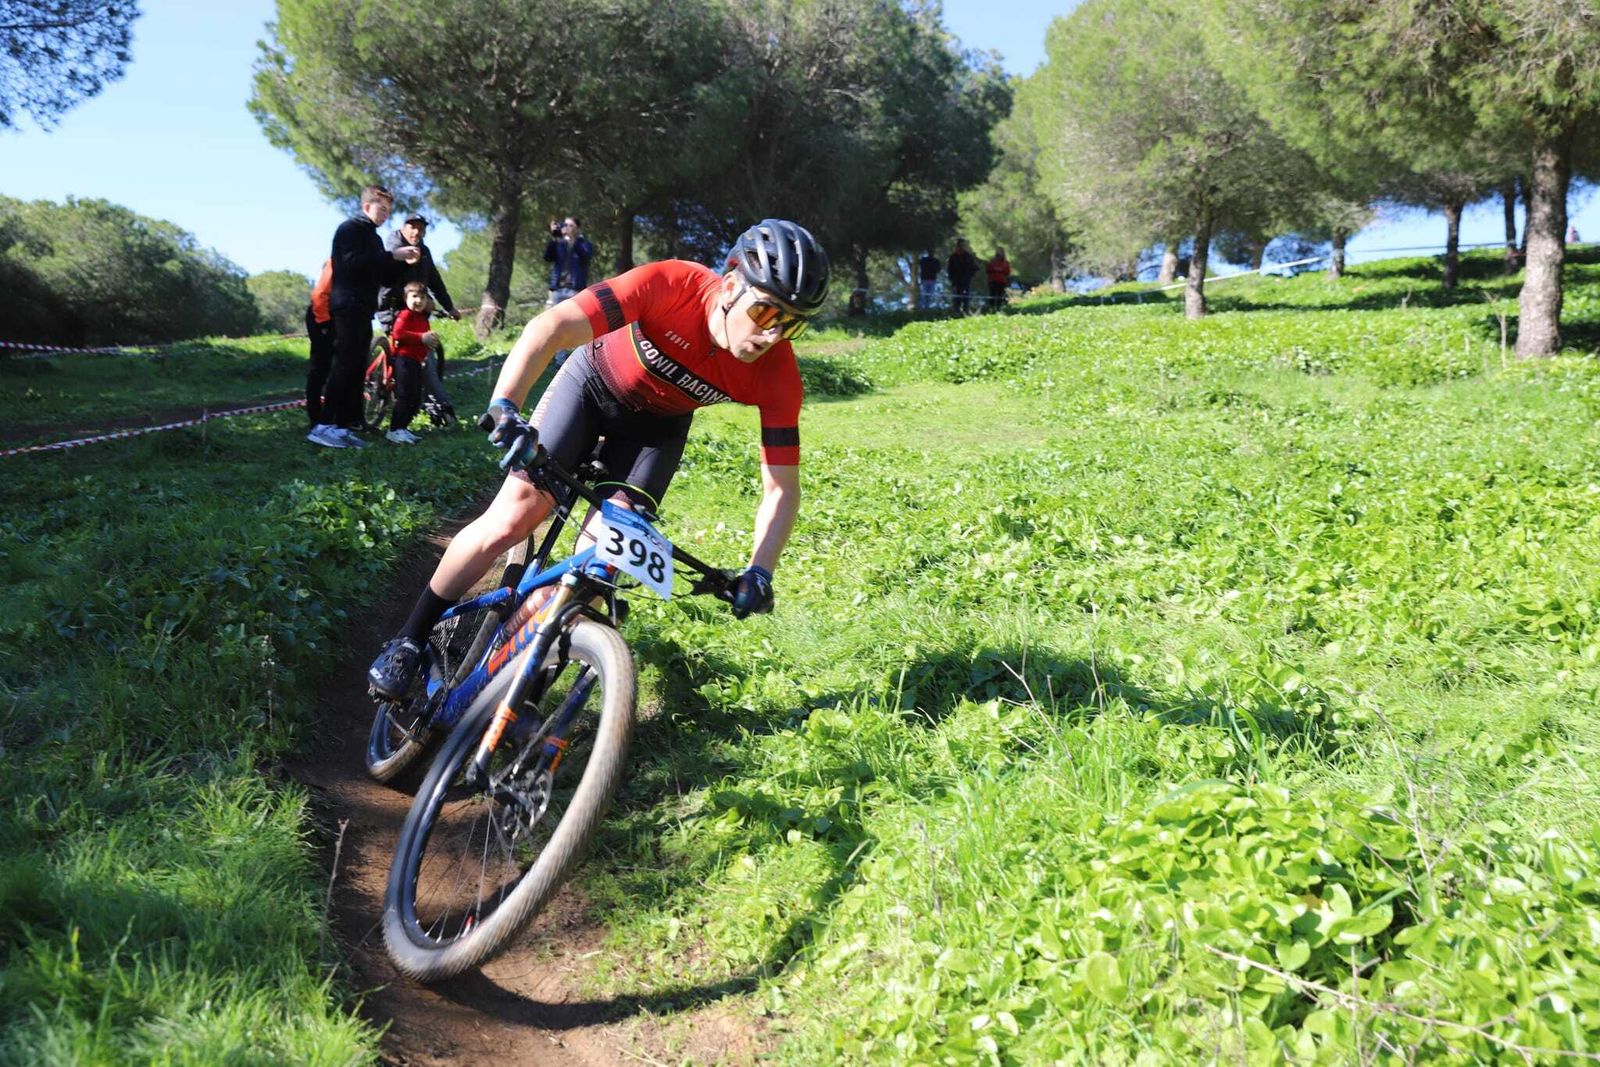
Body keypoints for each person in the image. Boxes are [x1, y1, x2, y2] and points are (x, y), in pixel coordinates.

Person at [366, 218, 830, 700]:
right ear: (731, 287)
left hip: (654, 433)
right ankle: (409, 639)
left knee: (601, 567)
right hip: (590, 388)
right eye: (765, 312)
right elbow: (551, 326)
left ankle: (518, 684)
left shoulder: (777, 373)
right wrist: (506, 405)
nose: (772, 335)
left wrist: (761, 570)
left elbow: (781, 487)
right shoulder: (672, 284)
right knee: (512, 518)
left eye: (792, 324)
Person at [308, 186, 421, 449]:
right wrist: (390, 256)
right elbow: (350, 263)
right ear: (366, 206)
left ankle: (342, 426)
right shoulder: (349, 229)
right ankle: (323, 425)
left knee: (358, 367)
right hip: (347, 305)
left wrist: (402, 263)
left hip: (363, 309)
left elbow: (383, 277)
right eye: (381, 208)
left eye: (388, 210)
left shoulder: (375, 239)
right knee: (344, 364)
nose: (385, 214)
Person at [377, 215, 460, 332]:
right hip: (393, 311)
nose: (416, 232)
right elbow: (388, 285)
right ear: (403, 229)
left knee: (424, 341)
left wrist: (449, 307)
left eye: (421, 229)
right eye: (412, 228)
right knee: (403, 341)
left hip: (418, 313)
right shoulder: (392, 250)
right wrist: (420, 299)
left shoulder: (424, 252)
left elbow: (435, 282)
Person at [384, 281, 443, 444]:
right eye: (414, 296)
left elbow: (424, 340)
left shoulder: (423, 319)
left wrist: (429, 344)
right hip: (404, 360)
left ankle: (403, 427)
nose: (419, 301)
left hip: (416, 361)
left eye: (422, 298)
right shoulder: (405, 315)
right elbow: (398, 333)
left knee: (415, 397)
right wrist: (421, 337)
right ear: (406, 298)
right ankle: (394, 429)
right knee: (405, 395)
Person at [304, 258, 335, 427]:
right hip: (322, 316)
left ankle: (332, 415)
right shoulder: (334, 262)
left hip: (336, 316)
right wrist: (324, 322)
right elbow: (319, 294)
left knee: (335, 367)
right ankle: (315, 417)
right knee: (320, 367)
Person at [543, 216, 595, 306]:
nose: (567, 228)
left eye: (571, 226)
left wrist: (573, 240)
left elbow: (585, 256)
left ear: (577, 229)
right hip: (557, 289)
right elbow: (547, 258)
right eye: (565, 225)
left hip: (575, 289)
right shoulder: (559, 243)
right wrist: (555, 238)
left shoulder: (584, 244)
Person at [947, 239, 979, 315]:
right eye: (959, 246)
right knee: (956, 296)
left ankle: (965, 310)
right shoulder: (953, 257)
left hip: (965, 279)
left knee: (966, 295)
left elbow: (974, 267)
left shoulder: (968, 256)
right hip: (956, 280)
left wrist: (971, 274)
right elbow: (950, 269)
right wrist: (951, 279)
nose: (960, 247)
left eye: (962, 245)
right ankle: (956, 311)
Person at [985, 248, 1012, 312]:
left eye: (1000, 253)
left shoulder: (1005, 263)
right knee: (992, 294)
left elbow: (1007, 272)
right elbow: (987, 269)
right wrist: (995, 269)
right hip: (993, 280)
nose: (999, 255)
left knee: (1000, 294)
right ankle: (991, 308)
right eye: (998, 253)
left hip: (1001, 281)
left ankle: (998, 308)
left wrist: (1000, 270)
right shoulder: (991, 261)